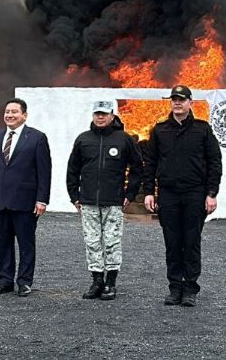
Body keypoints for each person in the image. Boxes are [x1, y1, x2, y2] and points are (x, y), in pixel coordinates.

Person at [143, 85, 222, 307]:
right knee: (172, 242)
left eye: (181, 99)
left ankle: (190, 289)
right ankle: (174, 287)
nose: (177, 103)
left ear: (190, 103)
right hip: (168, 194)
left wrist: (211, 193)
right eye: (174, 100)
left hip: (195, 194)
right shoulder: (159, 131)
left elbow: (215, 163)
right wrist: (150, 191)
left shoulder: (202, 129)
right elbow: (150, 163)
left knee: (192, 241)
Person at [66, 100, 144, 301]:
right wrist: (74, 196)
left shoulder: (124, 140)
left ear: (112, 115)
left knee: (112, 242)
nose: (100, 117)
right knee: (92, 242)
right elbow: (72, 169)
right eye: (96, 114)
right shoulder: (83, 140)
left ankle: (111, 283)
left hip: (114, 202)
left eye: (104, 114)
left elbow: (137, 168)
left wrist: (130, 195)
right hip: (89, 201)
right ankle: (96, 281)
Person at [0, 98, 51, 297]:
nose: (10, 115)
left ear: (24, 115)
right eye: (7, 112)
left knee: (26, 243)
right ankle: (5, 280)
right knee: (3, 243)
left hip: (26, 202)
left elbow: (44, 172)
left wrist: (42, 199)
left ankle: (24, 281)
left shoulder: (37, 138)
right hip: (0, 201)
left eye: (14, 112)